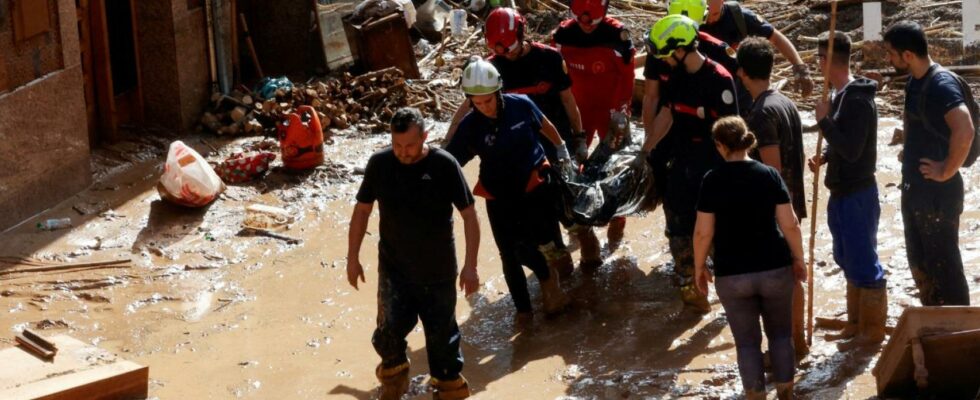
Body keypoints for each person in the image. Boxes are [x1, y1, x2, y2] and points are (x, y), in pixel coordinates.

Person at [346, 107, 480, 400]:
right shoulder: (380, 164)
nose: (403, 153)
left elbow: (469, 215)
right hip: (394, 270)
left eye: (409, 145)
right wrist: (352, 258)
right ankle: (394, 383)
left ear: (425, 137)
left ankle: (449, 391)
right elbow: (362, 210)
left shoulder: (444, 165)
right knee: (388, 335)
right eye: (397, 145)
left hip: (439, 270)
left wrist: (471, 267)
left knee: (443, 342)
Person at [445, 7, 585, 277]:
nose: (505, 53)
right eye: (498, 49)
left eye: (508, 46)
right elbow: (467, 107)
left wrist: (577, 141)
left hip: (553, 139)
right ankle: (558, 267)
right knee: (540, 216)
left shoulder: (550, 59)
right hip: (521, 150)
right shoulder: (492, 67)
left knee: (569, 209)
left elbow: (569, 100)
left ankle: (586, 251)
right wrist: (447, 141)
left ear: (521, 34)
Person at [446, 57, 571, 325]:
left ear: (499, 92)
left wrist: (561, 149)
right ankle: (523, 310)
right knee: (508, 253)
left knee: (540, 243)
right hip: (498, 192)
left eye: (488, 101)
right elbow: (453, 160)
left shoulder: (521, 106)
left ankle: (550, 281)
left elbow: (545, 125)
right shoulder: (471, 125)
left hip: (534, 184)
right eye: (476, 103)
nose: (484, 108)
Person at [693, 116, 807, 400]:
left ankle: (755, 395)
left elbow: (702, 233)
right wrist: (799, 258)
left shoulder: (711, 180)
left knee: (746, 344)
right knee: (781, 335)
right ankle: (786, 393)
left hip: (732, 273)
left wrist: (699, 267)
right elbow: (789, 223)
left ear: (720, 145)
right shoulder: (769, 175)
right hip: (775, 268)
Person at [639, 14, 739, 312]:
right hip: (682, 162)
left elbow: (732, 140)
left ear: (681, 50)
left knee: (719, 236)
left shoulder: (720, 81)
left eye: (666, 55)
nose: (663, 61)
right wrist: (645, 150)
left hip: (713, 166)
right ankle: (692, 289)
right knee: (678, 228)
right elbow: (667, 114)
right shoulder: (677, 76)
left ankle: (731, 294)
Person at [884, 21, 975, 306]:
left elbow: (965, 128)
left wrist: (947, 168)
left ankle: (959, 336)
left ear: (907, 55)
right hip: (918, 190)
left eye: (891, 53)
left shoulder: (941, 84)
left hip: (938, 194)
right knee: (922, 265)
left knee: (944, 268)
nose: (889, 59)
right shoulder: (916, 82)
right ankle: (935, 329)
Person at [809, 31, 888, 349]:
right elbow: (846, 144)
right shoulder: (841, 94)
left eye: (818, 59)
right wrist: (826, 156)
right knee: (846, 255)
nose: (818, 65)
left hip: (857, 193)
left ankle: (871, 332)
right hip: (843, 190)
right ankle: (855, 324)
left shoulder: (856, 99)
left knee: (862, 259)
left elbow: (854, 150)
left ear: (826, 61)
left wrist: (824, 123)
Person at [734, 36, 808, 359]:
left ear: (741, 73)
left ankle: (786, 348)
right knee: (793, 274)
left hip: (776, 213)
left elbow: (772, 171)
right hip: (793, 204)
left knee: (778, 285)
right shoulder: (785, 101)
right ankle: (799, 340)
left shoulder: (760, 114)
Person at [553, 0, 635, 257]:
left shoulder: (617, 36)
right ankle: (579, 224)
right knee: (570, 166)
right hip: (579, 113)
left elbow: (628, 77)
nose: (587, 27)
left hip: (611, 112)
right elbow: (557, 76)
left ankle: (617, 222)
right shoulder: (562, 35)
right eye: (582, 21)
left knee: (617, 168)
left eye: (593, 22)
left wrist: (620, 111)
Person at [701, 0, 813, 97]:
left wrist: (799, 66)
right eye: (706, 16)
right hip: (706, 93)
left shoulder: (738, 17)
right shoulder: (691, 20)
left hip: (741, 95)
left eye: (715, 14)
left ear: (723, 2)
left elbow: (776, 38)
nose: (710, 20)